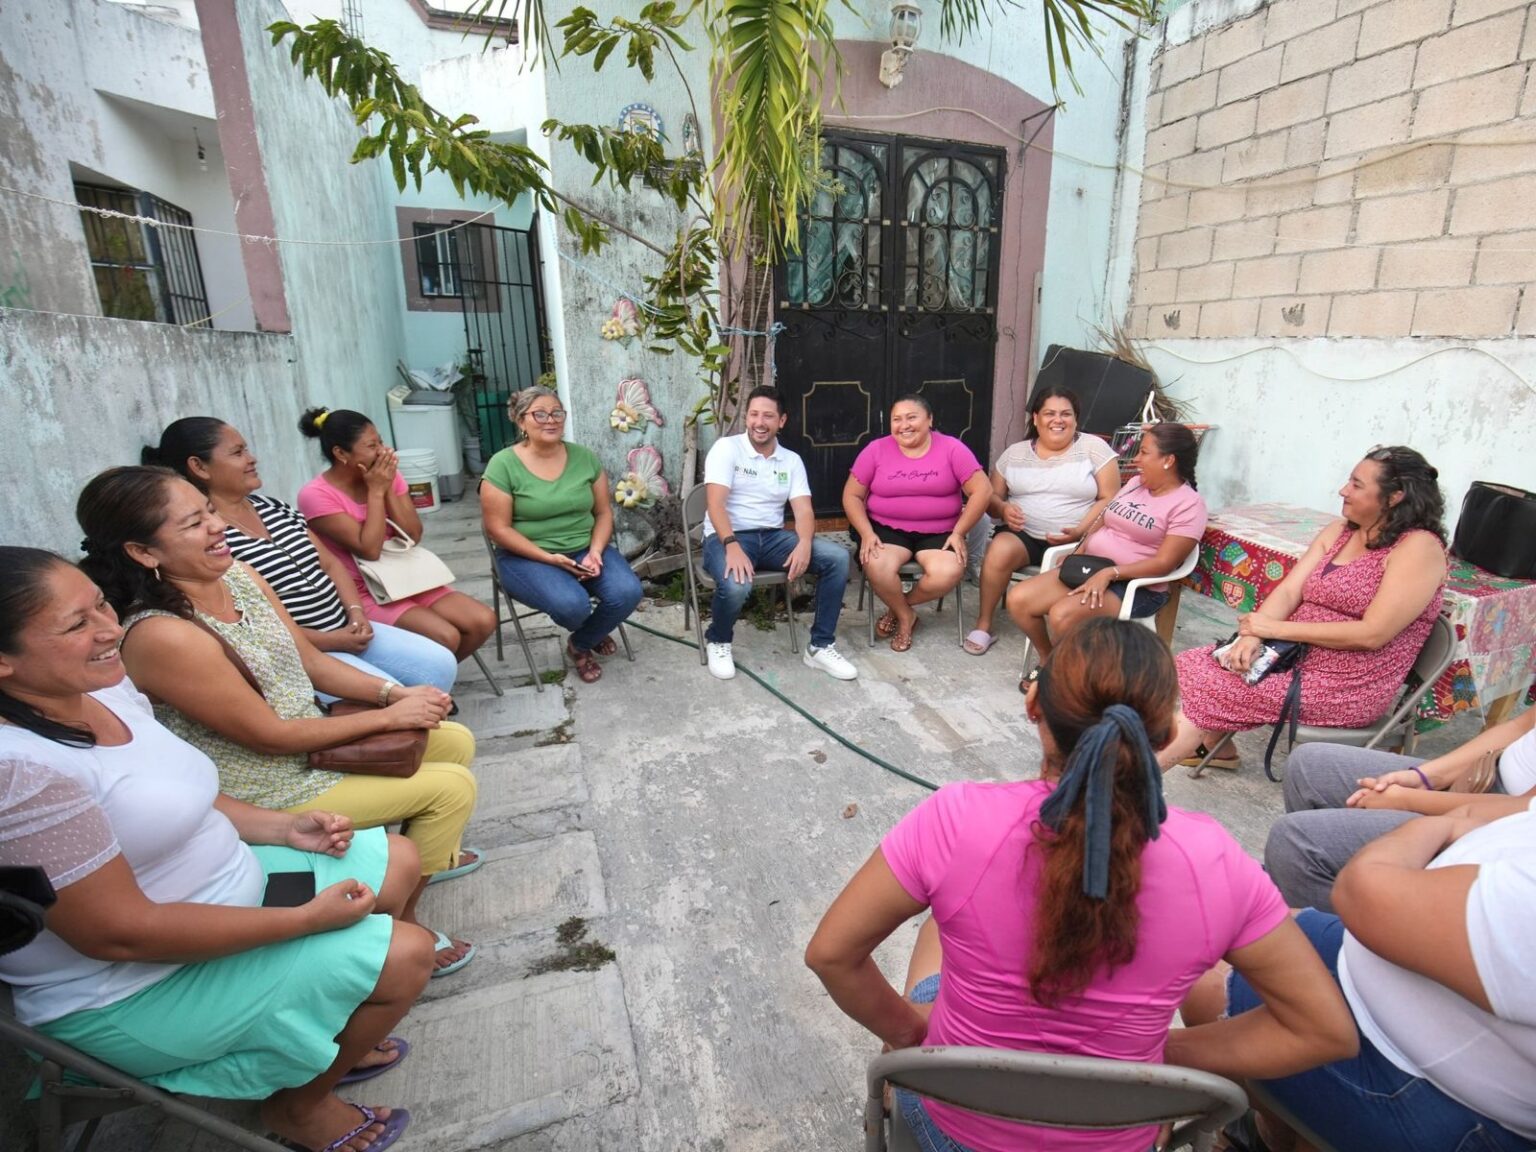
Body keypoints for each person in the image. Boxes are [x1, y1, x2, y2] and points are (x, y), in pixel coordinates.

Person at [806, 618, 1356, 1152]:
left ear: (1032, 706)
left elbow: (832, 954)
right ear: (1167, 734)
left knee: (940, 927)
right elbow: (1323, 1030)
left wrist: (907, 1037)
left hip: (953, 1125)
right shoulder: (1215, 861)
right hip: (1119, 1132)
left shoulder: (955, 820)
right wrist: (1159, 1062)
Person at [0, 546, 429, 1152]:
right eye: (77, 625)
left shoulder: (100, 687)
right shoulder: (22, 773)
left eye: (101, 605)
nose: (109, 630)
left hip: (226, 887)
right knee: (404, 954)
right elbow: (119, 934)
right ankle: (299, 1107)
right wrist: (302, 920)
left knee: (399, 861)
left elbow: (175, 797)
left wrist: (284, 829)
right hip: (134, 983)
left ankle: (319, 1030)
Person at [77, 466, 481, 977]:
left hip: (309, 744)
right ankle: (406, 919)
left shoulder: (236, 577)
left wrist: (391, 693)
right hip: (268, 786)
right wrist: (392, 716)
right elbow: (270, 737)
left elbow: (307, 660)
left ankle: (415, 861)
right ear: (144, 552)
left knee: (451, 739)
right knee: (450, 788)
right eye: (192, 523)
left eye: (209, 511)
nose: (217, 525)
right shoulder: (162, 635)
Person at [1181, 802, 1536, 1152]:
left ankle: (1286, 1127)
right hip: (1382, 975)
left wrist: (1439, 825)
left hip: (1438, 1092)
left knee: (1206, 962)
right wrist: (1420, 787)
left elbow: (1361, 891)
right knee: (1217, 935)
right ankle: (1276, 1130)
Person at [1160, 446, 1447, 771]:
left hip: (1347, 685)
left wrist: (1272, 629)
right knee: (1188, 665)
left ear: (1394, 497)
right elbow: (1289, 591)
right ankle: (1211, 748)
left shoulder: (1418, 548)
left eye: (1356, 484)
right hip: (1288, 657)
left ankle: (1130, 786)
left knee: (1216, 687)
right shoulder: (1341, 531)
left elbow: (1373, 633)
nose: (1343, 490)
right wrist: (1251, 637)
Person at [146, 417, 459, 695]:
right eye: (238, 452)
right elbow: (247, 626)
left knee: (439, 665)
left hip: (350, 629)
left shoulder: (272, 506)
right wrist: (331, 641)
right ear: (199, 466)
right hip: (304, 651)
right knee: (389, 695)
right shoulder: (209, 536)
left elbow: (329, 563)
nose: (252, 459)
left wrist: (356, 614)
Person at [1264, 707, 1536, 912]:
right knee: (1310, 765)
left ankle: (1333, 956)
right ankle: (1326, 898)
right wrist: (1425, 777)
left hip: (1504, 828)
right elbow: (1519, 727)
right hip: (1482, 776)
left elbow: (1521, 810)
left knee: (1295, 842)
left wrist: (1407, 800)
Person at [296, 407, 496, 666]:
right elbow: (369, 549)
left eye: (380, 441)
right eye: (371, 445)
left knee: (482, 621)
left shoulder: (386, 477)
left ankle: (429, 680)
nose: (382, 451)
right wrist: (376, 492)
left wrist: (387, 486)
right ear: (341, 453)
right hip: (365, 589)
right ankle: (419, 686)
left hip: (405, 576)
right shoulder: (316, 496)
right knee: (446, 636)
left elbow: (413, 535)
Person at [479, 387, 643, 685]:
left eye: (556, 413)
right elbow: (497, 529)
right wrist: (549, 558)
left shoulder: (584, 458)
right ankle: (593, 629)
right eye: (539, 414)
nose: (550, 420)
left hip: (583, 548)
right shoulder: (502, 465)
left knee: (627, 592)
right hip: (526, 557)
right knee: (573, 604)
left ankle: (580, 643)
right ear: (520, 421)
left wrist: (595, 551)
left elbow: (604, 513)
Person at [1005, 422, 1206, 662]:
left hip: (1136, 586)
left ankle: (1069, 679)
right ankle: (1050, 661)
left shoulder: (1189, 505)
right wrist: (1078, 552)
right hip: (1092, 569)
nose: (1136, 460)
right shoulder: (1135, 484)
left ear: (1168, 460)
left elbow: (1165, 563)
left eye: (1144, 452)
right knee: (1018, 599)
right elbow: (1102, 520)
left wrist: (1112, 573)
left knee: (1062, 615)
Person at [698, 385, 857, 682]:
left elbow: (804, 511)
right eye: (755, 414)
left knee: (836, 558)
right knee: (736, 586)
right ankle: (719, 640)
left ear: (781, 421)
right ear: (747, 417)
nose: (760, 422)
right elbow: (715, 503)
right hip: (727, 537)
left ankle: (820, 647)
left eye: (768, 416)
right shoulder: (727, 448)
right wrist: (731, 544)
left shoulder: (791, 460)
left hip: (772, 538)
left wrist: (805, 543)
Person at [964, 385, 1119, 656]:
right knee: (998, 549)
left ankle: (1056, 635)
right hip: (1024, 536)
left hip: (1079, 540)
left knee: (1062, 578)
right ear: (1035, 418)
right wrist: (1004, 507)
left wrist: (1080, 533)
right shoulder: (1014, 453)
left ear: (1076, 419)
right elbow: (991, 500)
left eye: (1065, 414)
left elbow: (1110, 499)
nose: (1058, 420)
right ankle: (984, 624)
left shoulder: (1094, 448)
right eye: (1049, 413)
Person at [842, 395, 990, 653]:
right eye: (897, 419)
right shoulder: (876, 450)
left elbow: (983, 491)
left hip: (940, 530)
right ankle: (906, 617)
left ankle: (897, 608)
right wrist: (866, 533)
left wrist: (959, 532)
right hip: (886, 528)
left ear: (930, 420)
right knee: (876, 564)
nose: (904, 425)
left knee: (949, 572)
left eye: (912, 417)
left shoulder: (952, 449)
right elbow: (851, 495)